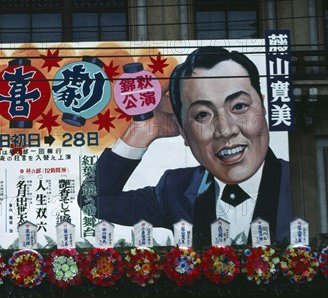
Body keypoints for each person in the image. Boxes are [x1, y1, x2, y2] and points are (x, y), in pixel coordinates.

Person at [78, 46, 291, 246]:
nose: (225, 130)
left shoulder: (297, 180)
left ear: (263, 107)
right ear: (184, 132)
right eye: (202, 115)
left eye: (240, 106)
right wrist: (142, 130)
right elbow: (93, 201)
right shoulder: (177, 189)